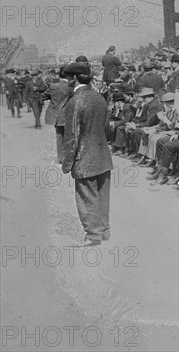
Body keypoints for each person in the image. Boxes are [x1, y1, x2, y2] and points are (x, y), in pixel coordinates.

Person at [62, 60, 114, 247]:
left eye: (68, 77)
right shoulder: (99, 97)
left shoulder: (75, 102)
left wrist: (67, 163)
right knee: (102, 197)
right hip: (103, 156)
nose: (67, 80)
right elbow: (107, 129)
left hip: (84, 158)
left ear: (74, 78)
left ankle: (93, 236)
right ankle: (104, 232)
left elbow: (72, 136)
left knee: (87, 197)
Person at [43, 66, 73, 163]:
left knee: (59, 136)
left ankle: (60, 158)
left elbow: (44, 96)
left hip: (56, 115)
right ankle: (69, 156)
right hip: (67, 114)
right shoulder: (70, 87)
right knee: (69, 136)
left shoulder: (53, 86)